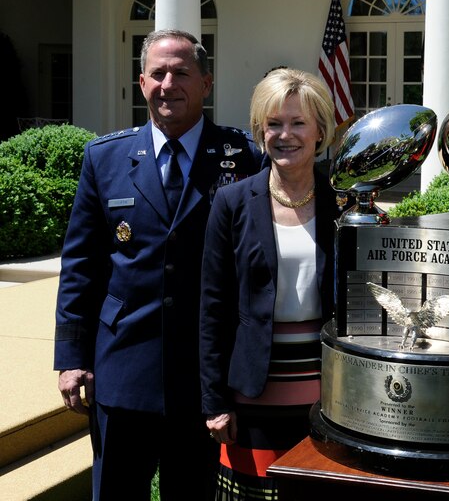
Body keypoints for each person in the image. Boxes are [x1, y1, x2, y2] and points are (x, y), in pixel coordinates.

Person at [54, 29, 262, 500]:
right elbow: (81, 266)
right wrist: (71, 359)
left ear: (206, 84)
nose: (170, 84)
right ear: (142, 81)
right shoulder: (104, 159)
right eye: (159, 73)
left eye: (182, 73)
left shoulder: (241, 157)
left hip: (205, 375)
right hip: (123, 366)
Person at [199, 68, 341, 499]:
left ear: (319, 131)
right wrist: (215, 402)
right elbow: (212, 307)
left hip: (330, 394)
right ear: (260, 131)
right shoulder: (232, 202)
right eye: (274, 123)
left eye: (298, 123)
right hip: (254, 394)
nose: (285, 135)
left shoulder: (344, 200)